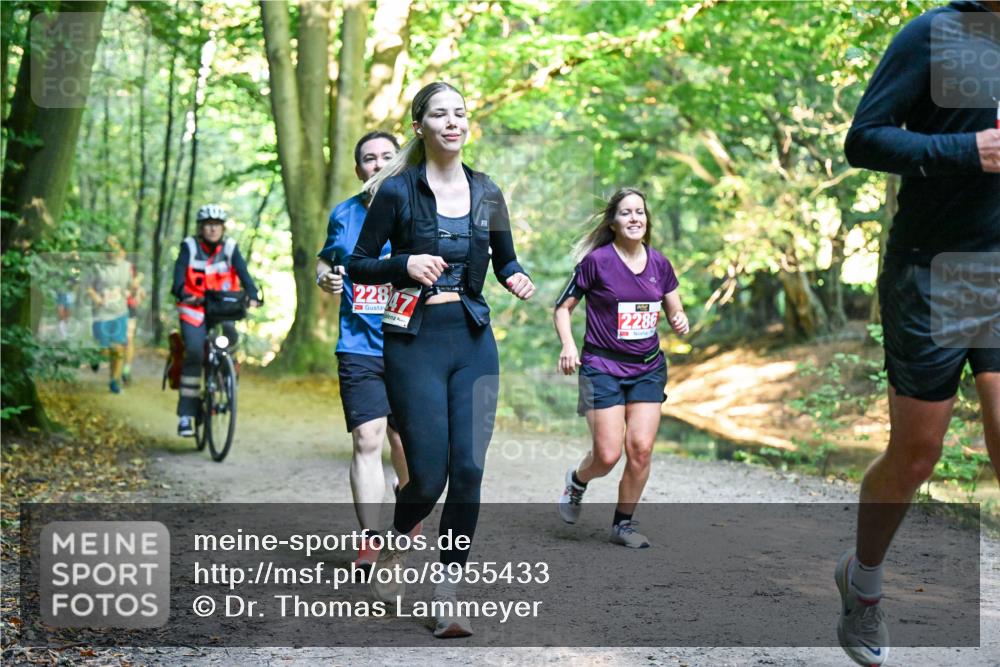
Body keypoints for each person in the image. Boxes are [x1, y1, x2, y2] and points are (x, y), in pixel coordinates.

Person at [839, 2, 1000, 665]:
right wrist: (966, 150)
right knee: (916, 454)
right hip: (935, 272)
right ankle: (863, 582)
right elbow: (865, 138)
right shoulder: (936, 33)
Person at [348, 81, 535, 638]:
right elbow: (360, 265)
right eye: (439, 114)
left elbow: (506, 261)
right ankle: (399, 542)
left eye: (459, 113)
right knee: (426, 476)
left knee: (471, 470)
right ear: (419, 126)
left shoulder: (489, 192)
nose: (452, 122)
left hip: (473, 339)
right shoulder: (398, 191)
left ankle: (447, 594)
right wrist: (403, 263)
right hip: (413, 341)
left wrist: (517, 277)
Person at [553, 187, 688, 548]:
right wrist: (568, 345)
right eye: (626, 213)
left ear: (647, 220)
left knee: (641, 448)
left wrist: (679, 319)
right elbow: (563, 308)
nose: (634, 218)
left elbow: (674, 306)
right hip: (602, 366)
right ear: (613, 222)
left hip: (647, 367)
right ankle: (578, 481)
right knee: (608, 454)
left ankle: (623, 524)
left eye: (640, 212)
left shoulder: (659, 263)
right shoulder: (597, 262)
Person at [315, 130, 413, 570]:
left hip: (412, 341)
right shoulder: (344, 215)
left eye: (386, 157)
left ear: (401, 163)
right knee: (367, 438)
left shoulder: (421, 209)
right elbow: (325, 259)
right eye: (369, 159)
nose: (377, 164)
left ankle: (409, 511)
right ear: (359, 170)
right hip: (359, 345)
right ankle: (371, 539)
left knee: (406, 442)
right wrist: (325, 278)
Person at [171, 204, 260, 437]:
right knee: (194, 351)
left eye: (217, 225)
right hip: (194, 309)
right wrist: (182, 292)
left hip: (222, 308)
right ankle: (186, 415)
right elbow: (178, 278)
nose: (212, 229)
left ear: (222, 229)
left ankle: (224, 379)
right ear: (201, 228)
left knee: (230, 338)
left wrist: (252, 295)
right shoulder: (189, 247)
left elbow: (244, 275)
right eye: (208, 225)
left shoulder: (230, 247)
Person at [86, 235, 132, 393]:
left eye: (114, 245)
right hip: (101, 312)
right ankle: (96, 356)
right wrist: (96, 297)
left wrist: (135, 289)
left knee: (118, 348)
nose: (111, 249)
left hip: (120, 311)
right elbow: (88, 287)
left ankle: (114, 381)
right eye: (108, 246)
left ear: (120, 248)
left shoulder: (126, 267)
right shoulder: (97, 266)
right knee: (104, 348)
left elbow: (130, 287)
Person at [122, 261, 146, 384]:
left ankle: (126, 369)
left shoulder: (131, 270)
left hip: (129, 310)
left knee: (129, 339)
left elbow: (139, 292)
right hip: (113, 310)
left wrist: (138, 295)